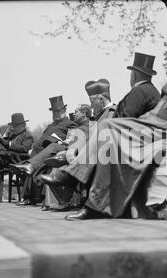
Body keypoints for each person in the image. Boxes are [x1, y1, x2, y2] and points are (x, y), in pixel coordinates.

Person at [57, 20, 167, 221]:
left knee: (108, 128)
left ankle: (77, 185)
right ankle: (90, 200)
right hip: (156, 126)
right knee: (108, 130)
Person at [42, 53, 161, 188]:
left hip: (140, 143)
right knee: (100, 134)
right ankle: (71, 173)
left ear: (134, 75)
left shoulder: (141, 90)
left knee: (103, 132)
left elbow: (124, 117)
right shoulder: (149, 90)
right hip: (144, 140)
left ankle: (71, 175)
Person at [11, 95, 77, 205]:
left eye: (58, 111)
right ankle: (28, 195)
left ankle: (31, 195)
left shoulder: (70, 124)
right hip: (40, 151)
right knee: (34, 157)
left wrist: (60, 142)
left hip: (55, 150)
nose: (56, 114)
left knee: (35, 163)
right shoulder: (50, 125)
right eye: (54, 112)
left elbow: (72, 140)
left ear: (65, 110)